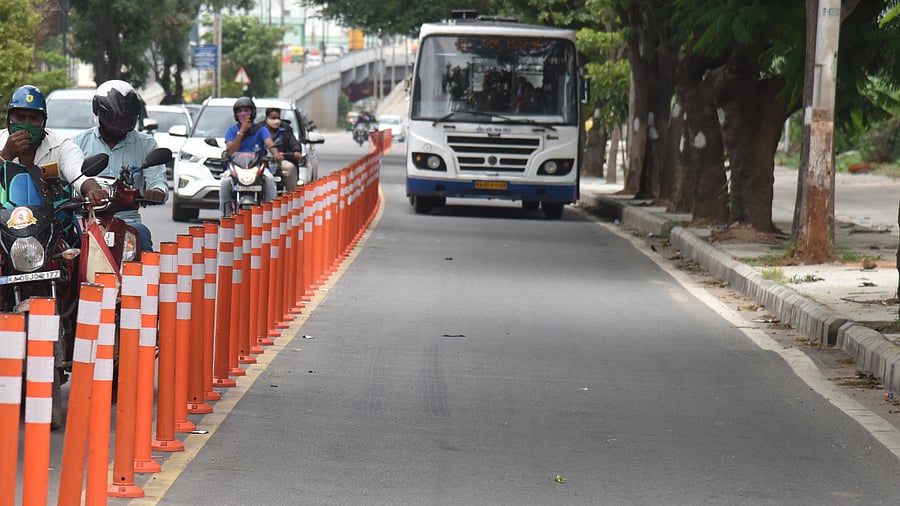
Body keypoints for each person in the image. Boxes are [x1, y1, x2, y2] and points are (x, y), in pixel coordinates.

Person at [73, 79, 167, 252]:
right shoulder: (77, 144)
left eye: (125, 121)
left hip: (127, 221)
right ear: (98, 111)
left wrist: (157, 192)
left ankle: (145, 279)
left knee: (142, 238)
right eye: (115, 120)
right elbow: (66, 179)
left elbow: (157, 180)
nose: (119, 127)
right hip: (84, 219)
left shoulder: (146, 144)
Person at [0, 85, 88, 245]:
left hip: (53, 231)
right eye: (20, 117)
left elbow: (78, 174)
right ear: (10, 119)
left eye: (34, 119)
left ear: (43, 122)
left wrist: (92, 189)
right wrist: (6, 155)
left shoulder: (61, 146)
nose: (27, 124)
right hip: (4, 230)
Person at [220, 96, 280, 216]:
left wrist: (276, 154)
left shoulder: (261, 129)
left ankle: (271, 214)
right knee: (225, 182)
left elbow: (269, 143)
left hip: (257, 168)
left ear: (252, 112)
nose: (243, 113)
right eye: (240, 111)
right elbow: (231, 151)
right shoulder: (231, 131)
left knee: (269, 179)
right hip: (236, 169)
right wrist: (241, 132)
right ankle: (226, 214)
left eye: (246, 110)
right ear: (236, 114)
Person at [262, 107, 302, 193]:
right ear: (266, 119)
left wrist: (296, 151)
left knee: (289, 168)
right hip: (261, 161)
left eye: (278, 118)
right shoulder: (259, 129)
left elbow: (293, 142)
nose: (276, 121)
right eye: (273, 118)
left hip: (281, 160)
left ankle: (291, 195)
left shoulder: (286, 129)